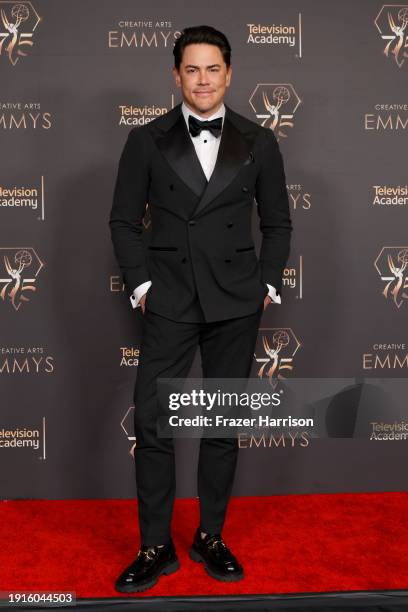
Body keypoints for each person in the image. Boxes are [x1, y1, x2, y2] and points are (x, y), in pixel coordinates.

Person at [109, 24, 292, 593]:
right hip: (169, 298)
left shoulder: (260, 141)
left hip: (237, 301)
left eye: (213, 68)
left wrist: (266, 285)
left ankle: (210, 535)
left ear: (230, 74)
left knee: (222, 424)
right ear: (176, 75)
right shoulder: (145, 139)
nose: (203, 79)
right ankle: (154, 544)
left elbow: (279, 222)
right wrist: (141, 287)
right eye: (192, 69)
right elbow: (122, 220)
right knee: (153, 422)